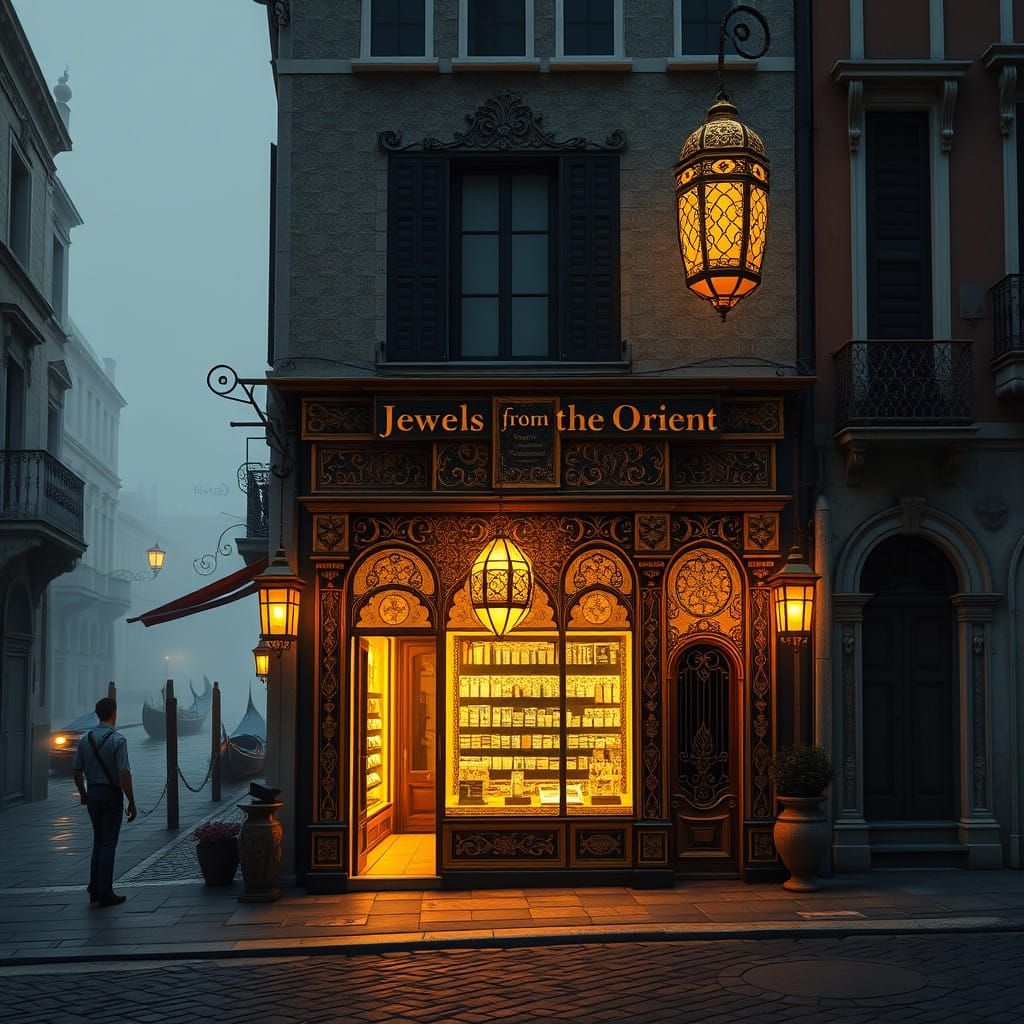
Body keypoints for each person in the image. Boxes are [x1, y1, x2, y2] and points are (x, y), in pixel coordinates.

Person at [72, 697, 137, 907]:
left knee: (98, 841)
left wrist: (83, 793)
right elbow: (124, 773)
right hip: (111, 794)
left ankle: (94, 888)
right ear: (114, 714)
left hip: (93, 793)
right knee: (109, 843)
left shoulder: (85, 739)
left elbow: (76, 771)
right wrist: (131, 801)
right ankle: (106, 892)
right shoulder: (118, 740)